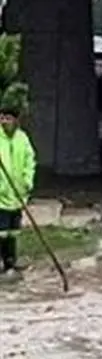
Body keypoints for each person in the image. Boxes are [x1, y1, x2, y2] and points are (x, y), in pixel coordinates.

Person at [0, 96, 36, 278]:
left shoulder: (22, 138)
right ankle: (4, 264)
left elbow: (30, 161)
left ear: (16, 120)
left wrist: (27, 182)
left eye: (8, 118)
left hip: (18, 195)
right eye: (2, 118)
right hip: (1, 196)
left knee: (13, 232)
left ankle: (10, 263)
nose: (5, 121)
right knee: (2, 232)